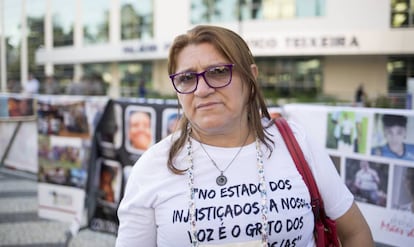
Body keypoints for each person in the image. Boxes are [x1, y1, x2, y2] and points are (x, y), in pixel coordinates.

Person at [116, 25, 373, 247]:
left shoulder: (295, 142)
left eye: (218, 72)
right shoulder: (153, 167)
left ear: (251, 77)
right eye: (186, 78)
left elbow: (355, 232)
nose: (202, 90)